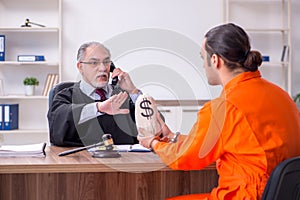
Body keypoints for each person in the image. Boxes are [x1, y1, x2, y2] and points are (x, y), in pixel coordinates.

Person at [138, 23, 300, 199]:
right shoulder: (281, 95)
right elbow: (225, 142)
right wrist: (172, 137)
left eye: (203, 58)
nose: (203, 65)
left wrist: (153, 143)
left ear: (215, 60)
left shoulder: (225, 107)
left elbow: (183, 157)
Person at [48, 41, 141, 147]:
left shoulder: (123, 96)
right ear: (80, 67)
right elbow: (58, 125)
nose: (102, 68)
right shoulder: (65, 96)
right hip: (82, 160)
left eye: (106, 62)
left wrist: (133, 91)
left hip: (128, 160)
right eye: (94, 63)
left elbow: (157, 130)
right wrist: (98, 108)